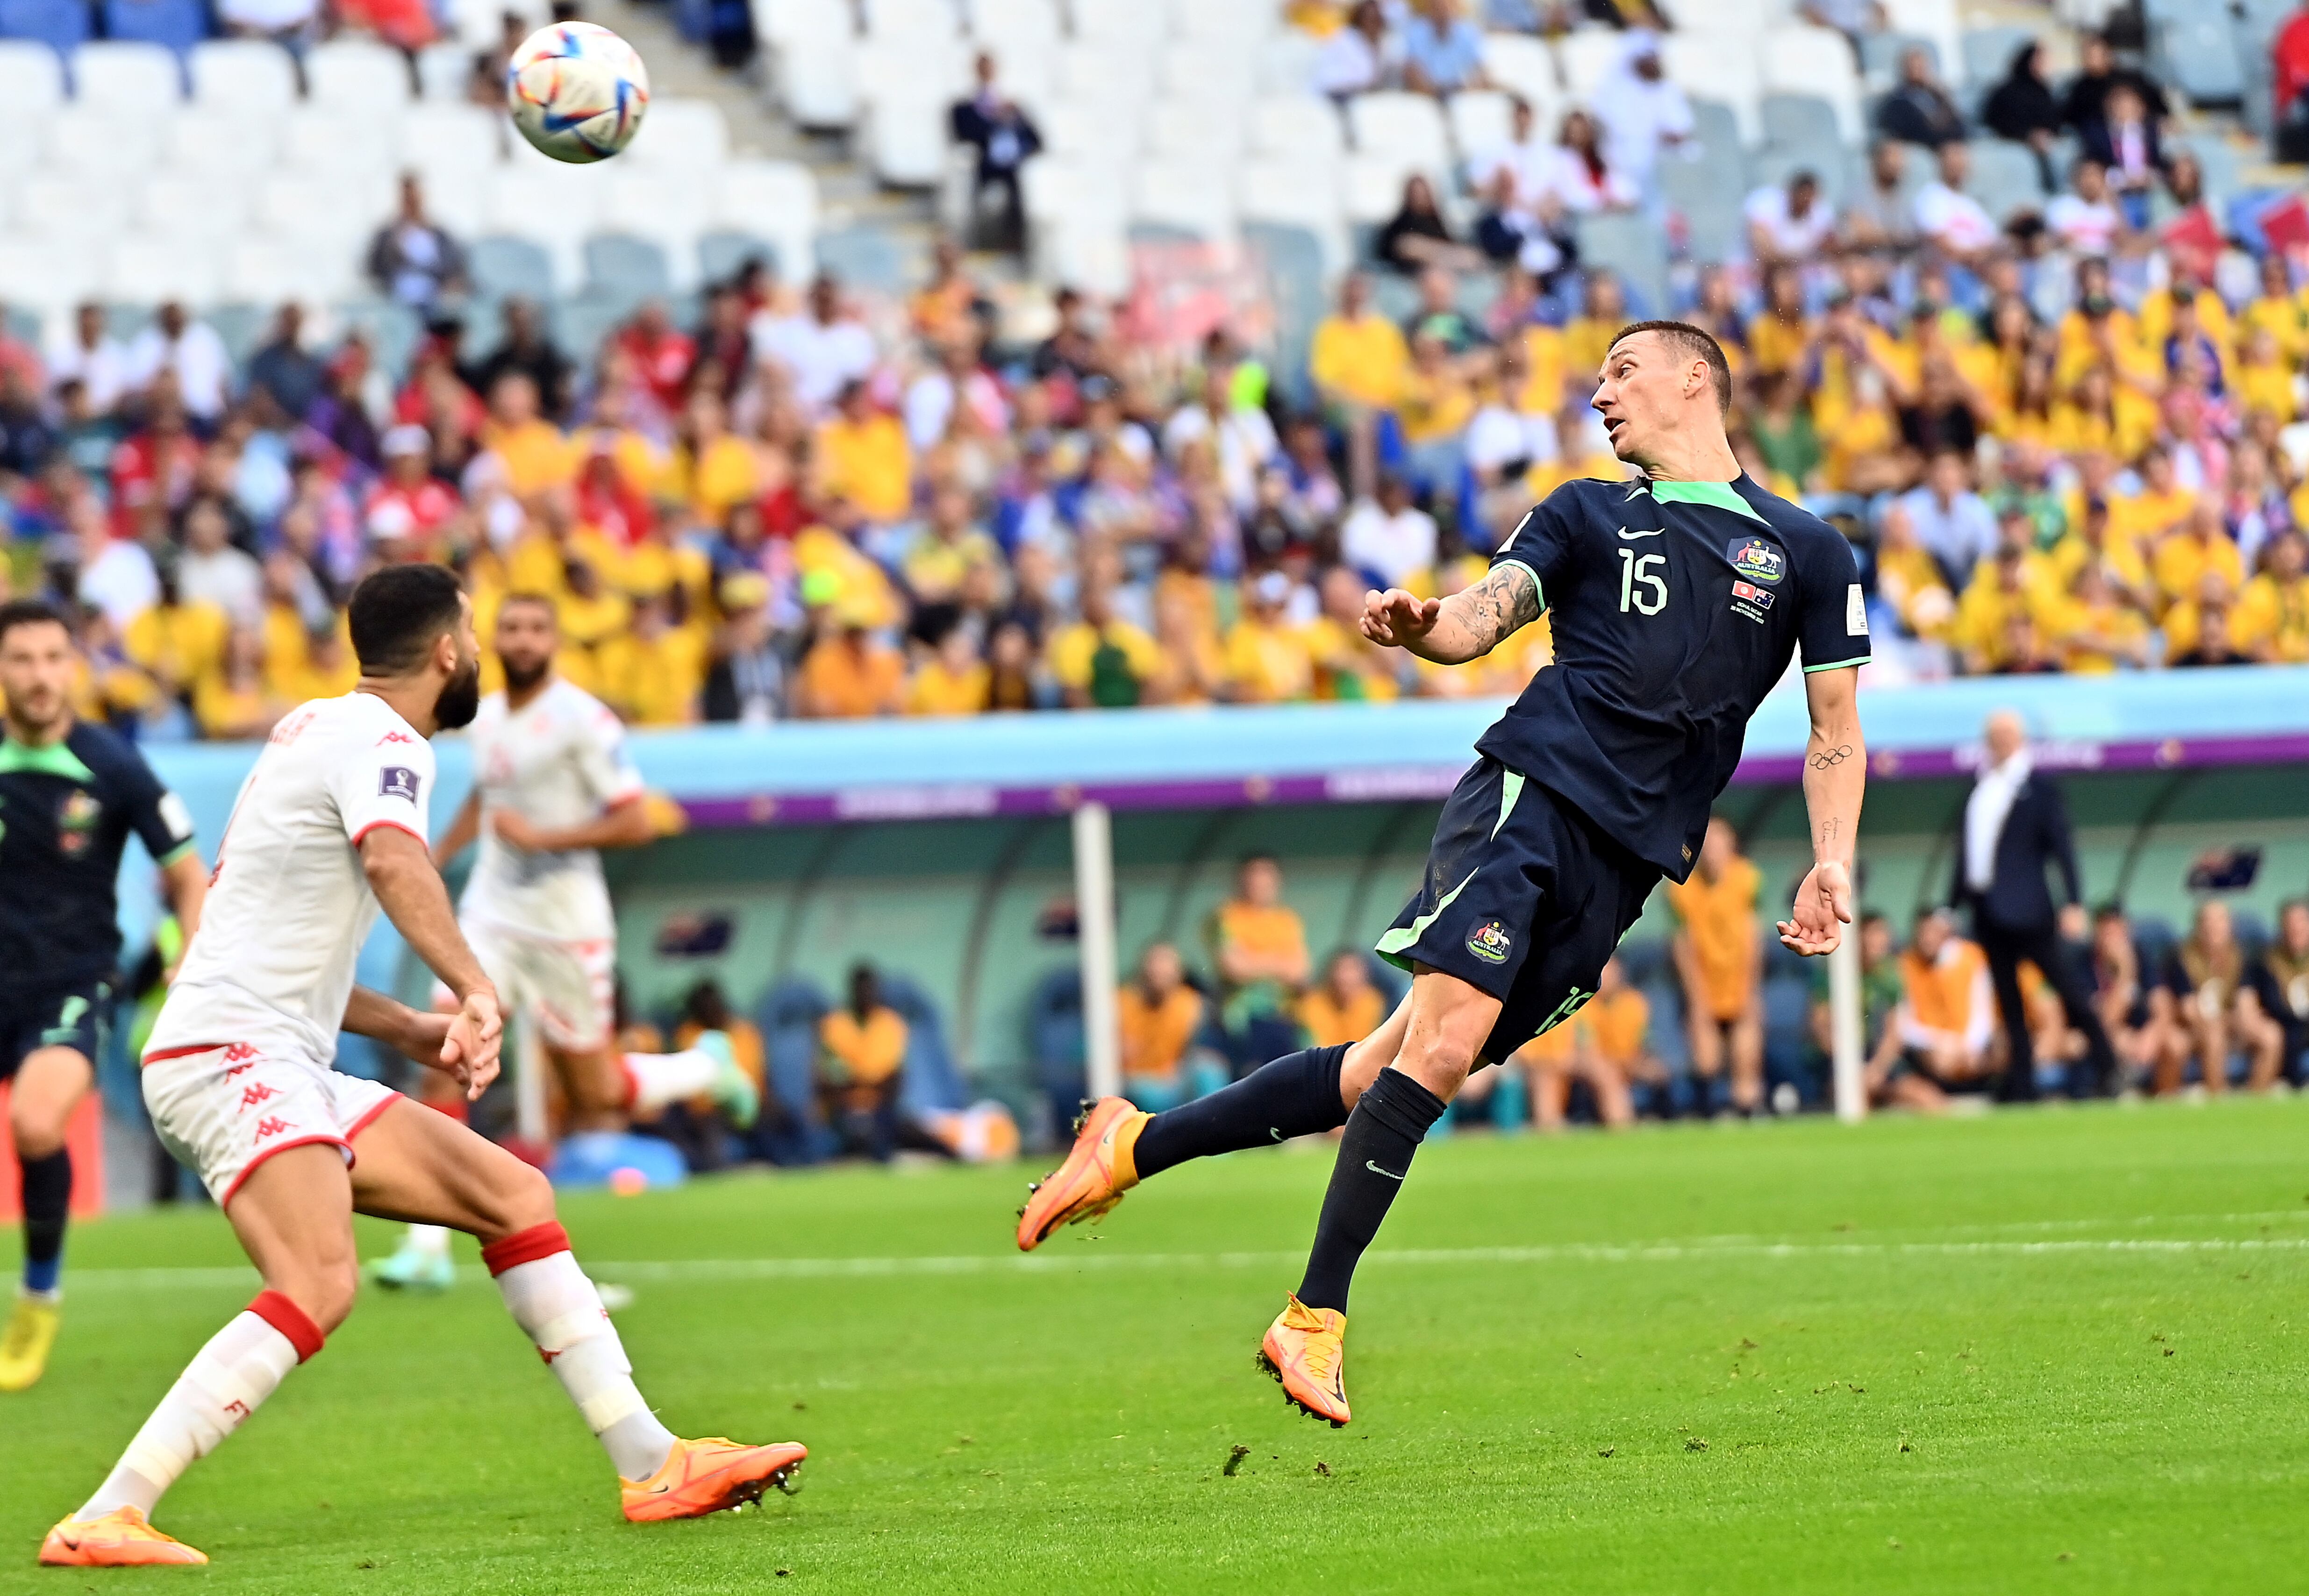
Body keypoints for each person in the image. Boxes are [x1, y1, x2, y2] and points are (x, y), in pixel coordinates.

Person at [1015, 319, 1868, 1427]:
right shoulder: (1581, 510)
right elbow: (1480, 617)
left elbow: (1833, 729)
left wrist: (1830, 861)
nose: (1597, 395)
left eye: (1620, 371)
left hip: (1630, 861)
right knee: (1447, 1039)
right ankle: (1310, 1316)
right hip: (1533, 796)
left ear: (1693, 379)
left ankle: (1131, 1144)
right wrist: (1421, 627)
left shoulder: (1805, 551)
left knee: (1385, 1071)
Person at [40, 567, 803, 1567]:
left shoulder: (312, 730)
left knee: (514, 1192)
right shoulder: (385, 743)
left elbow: (262, 941)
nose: (479, 649)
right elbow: (400, 863)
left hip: (264, 1042)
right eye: (476, 631)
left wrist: (406, 1025)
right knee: (317, 1280)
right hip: (231, 1053)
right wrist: (474, 987)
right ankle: (110, 1511)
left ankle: (654, 1462)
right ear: (448, 650)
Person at [368, 594, 758, 1290]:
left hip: (566, 924)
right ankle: (425, 1249)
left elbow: (637, 821)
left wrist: (544, 838)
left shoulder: (585, 721)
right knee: (447, 1057)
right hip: (491, 914)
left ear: (555, 639)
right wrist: (432, 856)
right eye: (510, 627)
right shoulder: (484, 715)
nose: (521, 639)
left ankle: (706, 1067)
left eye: (535, 628)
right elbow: (488, 798)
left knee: (597, 1094)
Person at [0, 602, 207, 1393]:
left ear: (74, 667)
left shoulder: (114, 767)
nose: (40, 675)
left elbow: (189, 874)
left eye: (54, 657)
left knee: (35, 1121)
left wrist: (190, 962)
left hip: (70, 981)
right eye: (22, 659)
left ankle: (39, 1296)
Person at [1945, 710, 2118, 1100]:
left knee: (2065, 988)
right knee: (2008, 1000)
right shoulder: (1979, 788)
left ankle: (2109, 1065)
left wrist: (2073, 901)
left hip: (2029, 909)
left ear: (2021, 739)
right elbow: (1968, 856)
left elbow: (2062, 847)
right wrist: (1951, 905)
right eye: (1994, 735)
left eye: (2008, 734)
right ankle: (2021, 1081)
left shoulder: (2038, 788)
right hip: (1987, 909)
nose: (2001, 741)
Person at [1666, 816, 1764, 1117]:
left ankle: (1749, 1113)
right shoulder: (1682, 886)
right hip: (1703, 985)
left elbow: (1753, 936)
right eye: (1708, 839)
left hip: (1738, 983)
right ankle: (1708, 1114)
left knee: (1746, 1056)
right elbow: (1683, 946)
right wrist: (1698, 1000)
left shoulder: (1747, 879)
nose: (1713, 848)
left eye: (1720, 839)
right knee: (1706, 1060)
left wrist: (1751, 991)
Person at [2159, 901, 2284, 1095]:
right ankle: (2217, 1101)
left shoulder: (2240, 956)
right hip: (2193, 1027)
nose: (2213, 928)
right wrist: (2219, 1024)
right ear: (2198, 926)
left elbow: (2246, 1001)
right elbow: (2189, 1010)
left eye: (2220, 921)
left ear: (2230, 926)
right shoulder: (2181, 958)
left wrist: (2243, 1023)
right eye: (2207, 922)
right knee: (2213, 1036)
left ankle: (2257, 1101)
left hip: (2230, 1022)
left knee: (2271, 1035)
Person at [1206, 854, 1311, 1070]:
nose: (1259, 885)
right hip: (1241, 1014)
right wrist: (1278, 961)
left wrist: (1254, 960)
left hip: (1284, 1014)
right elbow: (1234, 967)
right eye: (1253, 878)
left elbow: (1300, 972)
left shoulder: (1287, 921)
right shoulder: (1224, 917)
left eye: (1266, 879)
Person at [1889, 908, 1996, 1093]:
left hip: (1969, 1047)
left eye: (1933, 932)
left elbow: (1984, 1012)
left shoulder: (1971, 958)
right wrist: (1940, 1042)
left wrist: (1969, 1045)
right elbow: (1905, 1024)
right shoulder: (1905, 965)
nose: (1927, 939)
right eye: (1923, 932)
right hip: (1930, 1047)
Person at [948, 53, 1043, 253]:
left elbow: (1037, 141)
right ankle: (978, 241)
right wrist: (991, 123)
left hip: (1014, 165)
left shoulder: (1013, 106)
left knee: (1019, 193)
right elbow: (962, 137)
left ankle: (1016, 245)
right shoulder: (965, 109)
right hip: (984, 165)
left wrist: (1011, 121)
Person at [1116, 943, 1223, 1112]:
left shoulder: (1191, 1006)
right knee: (1142, 1093)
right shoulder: (1120, 1003)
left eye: (1167, 971)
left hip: (1176, 1081)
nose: (1160, 976)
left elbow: (1195, 1052)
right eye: (1155, 970)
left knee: (1209, 1070)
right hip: (1135, 1083)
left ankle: (1216, 1127)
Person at [366, 174, 469, 312]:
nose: (412, 203)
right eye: (408, 199)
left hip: (435, 299)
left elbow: (454, 264)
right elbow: (375, 267)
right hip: (399, 301)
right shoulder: (388, 236)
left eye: (415, 198)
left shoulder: (438, 234)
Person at [1877, 43, 1966, 149]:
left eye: (1922, 67)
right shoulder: (1897, 101)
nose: (1918, 71)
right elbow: (1905, 131)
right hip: (1925, 146)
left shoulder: (1939, 95)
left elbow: (1958, 123)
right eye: (1914, 67)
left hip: (1949, 144)